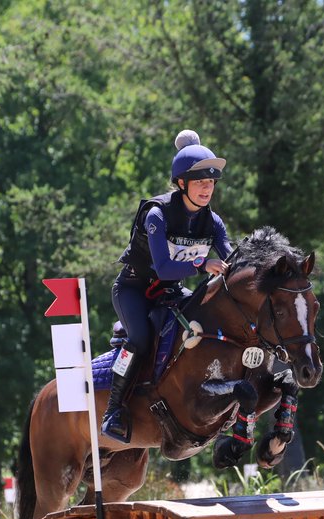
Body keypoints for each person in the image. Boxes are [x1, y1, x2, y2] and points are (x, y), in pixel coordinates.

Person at [100, 129, 235, 443]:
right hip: (134, 289)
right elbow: (162, 267)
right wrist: (203, 265)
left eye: (211, 183)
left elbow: (231, 259)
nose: (207, 189)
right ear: (182, 183)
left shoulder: (213, 222)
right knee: (141, 338)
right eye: (201, 182)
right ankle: (114, 410)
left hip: (171, 294)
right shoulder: (157, 214)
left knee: (204, 329)